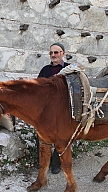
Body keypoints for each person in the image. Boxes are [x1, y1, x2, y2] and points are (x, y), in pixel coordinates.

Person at [37, 42, 70, 174]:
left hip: (63, 110)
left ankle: (56, 164)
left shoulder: (70, 69)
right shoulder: (45, 70)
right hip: (46, 110)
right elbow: (38, 87)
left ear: (63, 53)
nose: (53, 55)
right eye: (51, 53)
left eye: (56, 52)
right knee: (42, 135)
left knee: (60, 136)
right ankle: (41, 161)